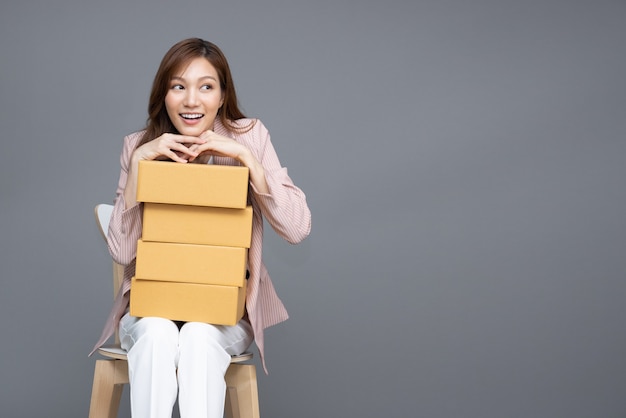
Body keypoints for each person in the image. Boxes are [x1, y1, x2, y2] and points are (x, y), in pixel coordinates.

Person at [90, 38, 311, 418]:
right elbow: (123, 253)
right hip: (148, 312)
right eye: (179, 86)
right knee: (158, 333)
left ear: (223, 96)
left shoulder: (250, 136)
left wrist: (248, 160)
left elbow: (296, 228)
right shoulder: (138, 146)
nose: (192, 101)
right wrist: (138, 170)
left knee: (197, 335)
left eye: (206, 86)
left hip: (223, 316)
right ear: (164, 95)